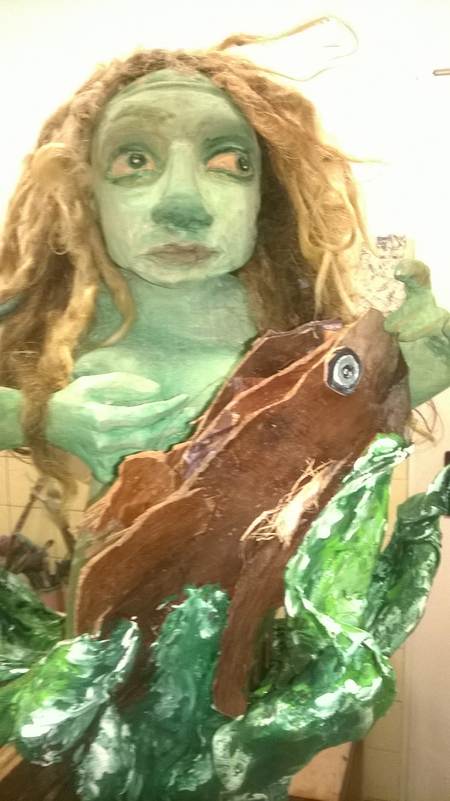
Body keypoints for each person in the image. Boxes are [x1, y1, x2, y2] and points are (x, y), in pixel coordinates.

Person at [0, 32, 449, 801]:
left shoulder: (293, 318)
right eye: (134, 160)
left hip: (256, 667)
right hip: (106, 653)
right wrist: (44, 417)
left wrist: (424, 332)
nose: (183, 201)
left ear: (264, 194)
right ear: (84, 189)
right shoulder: (63, 317)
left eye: (229, 161)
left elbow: (395, 388)